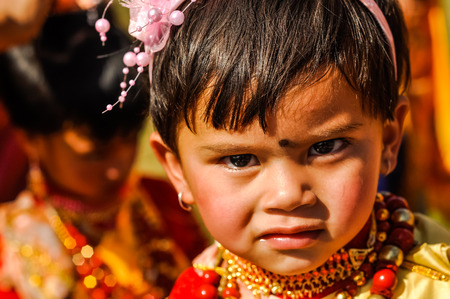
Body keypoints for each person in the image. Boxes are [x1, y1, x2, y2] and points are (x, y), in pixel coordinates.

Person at [113, 0, 450, 297]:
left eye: (325, 147)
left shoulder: (434, 282)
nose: (288, 195)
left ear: (389, 140)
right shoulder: (198, 290)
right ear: (177, 170)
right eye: (240, 159)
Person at [0, 9, 206, 299]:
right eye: (95, 155)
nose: (118, 168)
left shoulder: (166, 201)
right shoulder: (8, 249)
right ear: (30, 140)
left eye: (130, 139)